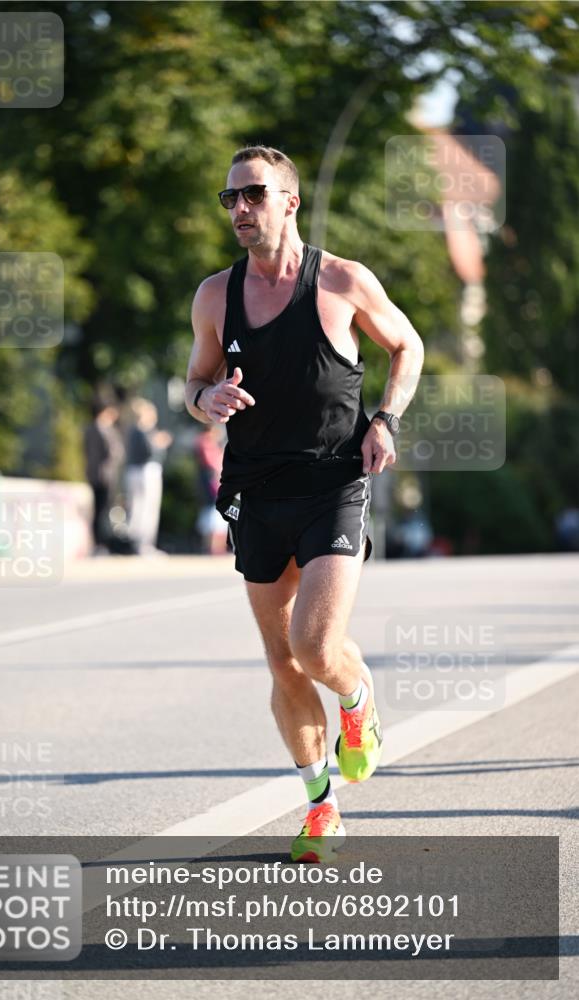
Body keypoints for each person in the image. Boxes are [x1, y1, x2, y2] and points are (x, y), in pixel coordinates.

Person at [185, 145, 424, 862]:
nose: (239, 209)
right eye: (229, 199)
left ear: (289, 201)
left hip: (333, 481)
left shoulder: (342, 281)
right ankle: (321, 808)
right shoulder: (213, 296)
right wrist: (208, 399)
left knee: (314, 647)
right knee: (281, 663)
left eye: (253, 194)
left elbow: (406, 346)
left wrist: (385, 420)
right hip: (255, 489)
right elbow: (193, 385)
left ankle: (357, 702)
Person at [124, 398, 173, 555]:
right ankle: (144, 544)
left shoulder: (134, 431)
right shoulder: (143, 431)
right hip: (146, 471)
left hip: (135, 472)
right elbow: (149, 452)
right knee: (147, 508)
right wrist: (160, 443)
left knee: (139, 507)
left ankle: (139, 543)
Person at [83, 395, 125, 554]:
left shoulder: (90, 429)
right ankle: (100, 544)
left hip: (96, 473)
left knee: (100, 510)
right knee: (102, 510)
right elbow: (114, 452)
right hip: (104, 475)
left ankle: (99, 544)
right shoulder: (103, 429)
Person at [194, 424, 229, 555]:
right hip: (211, 480)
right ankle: (213, 546)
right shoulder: (206, 441)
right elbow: (212, 462)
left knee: (213, 512)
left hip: (210, 479)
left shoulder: (207, 442)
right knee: (214, 512)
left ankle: (215, 546)